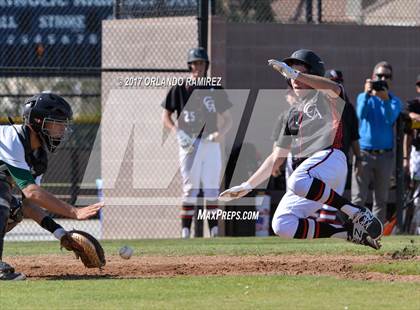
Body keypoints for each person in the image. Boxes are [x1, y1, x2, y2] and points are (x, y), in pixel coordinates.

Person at [220, 49, 383, 249]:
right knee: (282, 224)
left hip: (331, 159)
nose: (293, 77)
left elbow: (334, 87)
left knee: (296, 179)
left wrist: (297, 74)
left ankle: (357, 213)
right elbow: (276, 157)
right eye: (289, 72)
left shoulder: (326, 96)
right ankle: (348, 233)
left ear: (314, 73)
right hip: (312, 179)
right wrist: (247, 185)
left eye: (297, 72)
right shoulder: (291, 115)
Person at [0, 92, 103, 280]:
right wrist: (74, 212)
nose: (63, 130)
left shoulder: (38, 158)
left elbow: (29, 205)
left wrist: (61, 233)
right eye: (58, 123)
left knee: (15, 210)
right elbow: (32, 192)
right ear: (38, 121)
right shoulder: (12, 138)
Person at [161, 47, 232, 239]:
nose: (197, 67)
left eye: (200, 63)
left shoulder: (214, 87)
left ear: (206, 66)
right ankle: (185, 232)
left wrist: (220, 133)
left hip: (210, 141)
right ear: (189, 66)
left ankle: (215, 231)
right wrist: (177, 132)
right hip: (189, 141)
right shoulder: (180, 87)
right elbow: (166, 116)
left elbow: (228, 118)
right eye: (194, 63)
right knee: (190, 188)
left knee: (211, 187)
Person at [351, 61, 402, 225]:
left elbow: (389, 119)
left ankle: (376, 234)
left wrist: (385, 100)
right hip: (364, 154)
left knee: (381, 199)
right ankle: (354, 232)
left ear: (391, 80)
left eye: (386, 76)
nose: (383, 79)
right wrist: (367, 93)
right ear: (373, 77)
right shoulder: (363, 97)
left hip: (385, 155)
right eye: (379, 76)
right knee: (358, 198)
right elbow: (360, 114)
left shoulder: (394, 101)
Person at [404, 74, 420, 234]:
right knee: (414, 193)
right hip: (417, 153)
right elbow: (408, 115)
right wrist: (405, 158)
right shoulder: (414, 104)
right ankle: (411, 229)